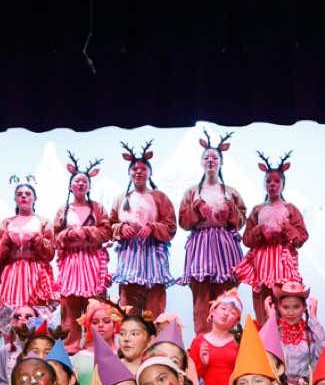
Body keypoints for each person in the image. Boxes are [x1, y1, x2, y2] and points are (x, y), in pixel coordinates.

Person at [177, 129, 248, 329]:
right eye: (206, 157)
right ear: (201, 162)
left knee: (227, 296)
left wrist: (230, 208)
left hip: (225, 246)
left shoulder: (231, 192)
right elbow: (183, 222)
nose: (210, 160)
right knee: (201, 297)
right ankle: (202, 339)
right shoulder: (192, 192)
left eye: (215, 158)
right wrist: (196, 208)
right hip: (201, 245)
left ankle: (228, 337)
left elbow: (241, 220)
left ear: (221, 162)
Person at [235, 150, 309, 326]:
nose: (272, 185)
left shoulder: (290, 209)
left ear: (283, 184)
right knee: (262, 301)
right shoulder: (258, 209)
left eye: (276, 181)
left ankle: (286, 336)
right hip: (262, 260)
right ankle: (264, 336)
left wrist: (286, 228)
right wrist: (259, 230)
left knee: (284, 297)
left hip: (283, 260)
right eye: (268, 181)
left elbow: (301, 237)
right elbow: (246, 240)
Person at [50, 154, 112, 352]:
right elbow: (55, 237)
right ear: (70, 186)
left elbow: (107, 232)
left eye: (84, 181)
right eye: (77, 181)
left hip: (92, 260)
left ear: (89, 186)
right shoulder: (63, 210)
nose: (80, 184)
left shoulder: (97, 208)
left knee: (94, 305)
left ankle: (96, 348)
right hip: (71, 261)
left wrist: (86, 232)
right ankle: (70, 349)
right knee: (70, 307)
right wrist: (69, 234)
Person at [111, 139, 177, 321]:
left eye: (143, 169)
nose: (138, 172)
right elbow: (109, 225)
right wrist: (121, 228)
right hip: (129, 259)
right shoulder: (121, 198)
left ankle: (154, 337)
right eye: (134, 169)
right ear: (129, 173)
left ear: (149, 172)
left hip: (153, 257)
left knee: (154, 309)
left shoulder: (160, 197)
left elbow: (171, 227)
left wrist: (153, 227)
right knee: (128, 308)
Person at [0, 175, 58, 322]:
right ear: (15, 199)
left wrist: (38, 239)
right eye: (20, 194)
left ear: (35, 198)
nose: (23, 196)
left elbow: (50, 254)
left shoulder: (43, 222)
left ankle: (37, 336)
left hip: (36, 271)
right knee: (11, 312)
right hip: (13, 272)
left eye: (28, 194)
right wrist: (6, 239)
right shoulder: (7, 223)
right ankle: (12, 337)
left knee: (36, 311)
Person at [269, 279, 325, 385]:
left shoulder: (311, 333)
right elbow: (264, 357)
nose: (290, 312)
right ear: (279, 308)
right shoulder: (275, 332)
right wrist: (270, 321)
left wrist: (313, 317)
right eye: (285, 307)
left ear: (304, 308)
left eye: (296, 307)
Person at [193, 291, 244, 385]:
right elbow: (193, 378)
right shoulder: (199, 342)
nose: (226, 314)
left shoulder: (240, 343)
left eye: (232, 313)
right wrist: (203, 363)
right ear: (213, 310)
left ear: (236, 321)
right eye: (223, 308)